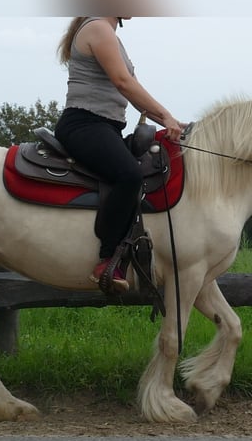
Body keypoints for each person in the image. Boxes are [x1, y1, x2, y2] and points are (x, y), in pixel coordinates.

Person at [54, 16, 186, 293]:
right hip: (85, 124)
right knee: (129, 174)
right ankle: (108, 258)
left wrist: (171, 123)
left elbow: (137, 94)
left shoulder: (111, 36)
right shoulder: (98, 28)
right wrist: (166, 116)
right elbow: (123, 82)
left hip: (106, 126)